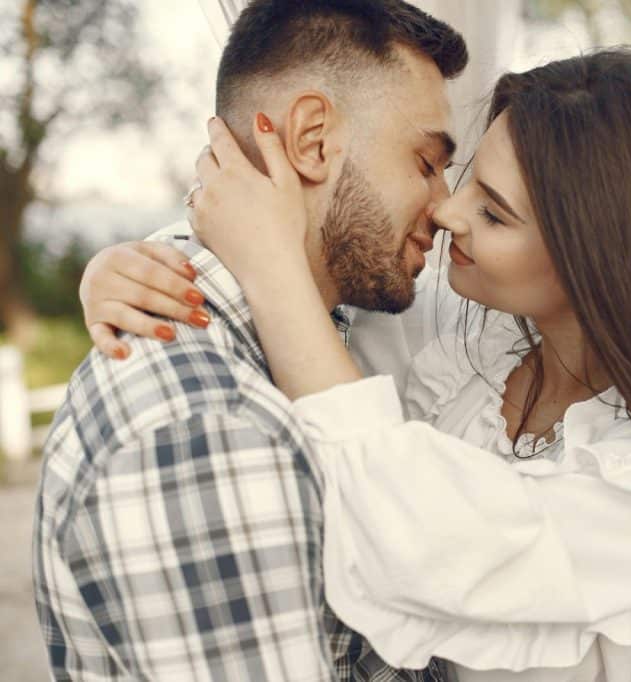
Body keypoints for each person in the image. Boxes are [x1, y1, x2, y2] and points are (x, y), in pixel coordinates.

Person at [76, 45, 631, 682]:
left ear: (602, 261)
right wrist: (135, 264)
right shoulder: (470, 346)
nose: (448, 211)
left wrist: (271, 268)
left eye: (494, 213)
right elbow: (328, 296)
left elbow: (411, 529)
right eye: (464, 175)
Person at [33, 2, 468, 680]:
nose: (445, 207)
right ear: (312, 139)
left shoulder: (325, 334)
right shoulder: (206, 426)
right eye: (425, 162)